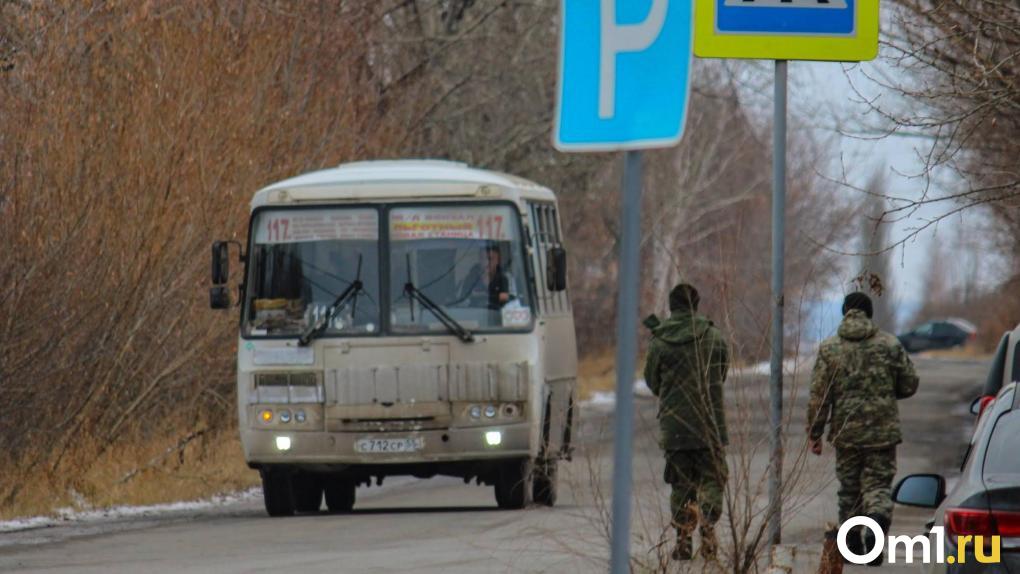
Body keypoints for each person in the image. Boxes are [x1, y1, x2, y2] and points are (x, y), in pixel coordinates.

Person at [807, 292, 919, 567]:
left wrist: (815, 434)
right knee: (878, 486)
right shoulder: (889, 344)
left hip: (846, 433)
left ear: (844, 313)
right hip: (882, 432)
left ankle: (853, 543)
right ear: (870, 314)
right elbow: (909, 384)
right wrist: (885, 392)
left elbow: (819, 396)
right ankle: (876, 522)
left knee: (849, 489)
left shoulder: (829, 349)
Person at [643, 283, 730, 561]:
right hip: (710, 424)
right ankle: (707, 520)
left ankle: (683, 539)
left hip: (675, 426)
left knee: (681, 484)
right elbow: (722, 373)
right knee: (713, 479)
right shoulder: (713, 337)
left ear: (672, 307)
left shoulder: (660, 341)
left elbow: (652, 381)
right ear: (696, 304)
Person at [454, 244, 513, 309]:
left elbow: (508, 301)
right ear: (479, 259)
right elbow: (462, 300)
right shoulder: (471, 277)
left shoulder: (505, 278)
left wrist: (484, 296)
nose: (486, 262)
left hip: (497, 313)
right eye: (483, 258)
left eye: (491, 259)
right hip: (473, 312)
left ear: (498, 261)